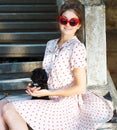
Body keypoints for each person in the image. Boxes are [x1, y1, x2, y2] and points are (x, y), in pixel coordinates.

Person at [0, 0, 113, 130]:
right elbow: (48, 76)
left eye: (73, 22)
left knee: (9, 109)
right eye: (64, 20)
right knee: (1, 105)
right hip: (49, 99)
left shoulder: (77, 48)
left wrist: (47, 92)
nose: (67, 25)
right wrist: (35, 87)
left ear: (79, 25)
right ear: (59, 21)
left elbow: (80, 88)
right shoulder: (51, 44)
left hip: (65, 106)